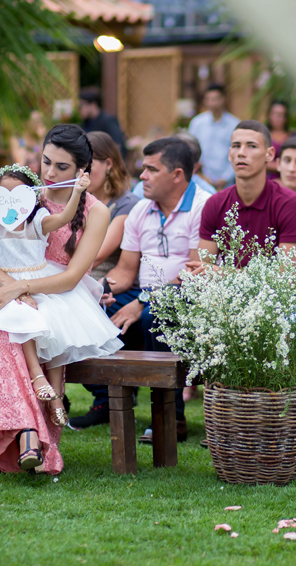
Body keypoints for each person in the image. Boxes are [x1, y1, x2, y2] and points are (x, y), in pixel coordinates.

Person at [0, 124, 111, 473]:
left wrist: (22, 289)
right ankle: (23, 434)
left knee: (29, 332)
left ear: (81, 172)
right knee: (1, 334)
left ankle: (37, 436)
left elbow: (74, 275)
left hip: (64, 295)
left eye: (62, 167)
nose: (49, 172)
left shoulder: (95, 210)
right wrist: (11, 286)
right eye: (46, 162)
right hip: (17, 286)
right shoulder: (22, 196)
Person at [69, 137, 210, 437]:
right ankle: (107, 399)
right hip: (144, 293)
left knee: (152, 315)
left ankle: (171, 417)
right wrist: (99, 290)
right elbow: (125, 271)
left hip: (189, 298)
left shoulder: (203, 207)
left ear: (177, 175)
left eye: (150, 169)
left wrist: (145, 301)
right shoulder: (141, 210)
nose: (142, 176)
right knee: (85, 310)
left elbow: (196, 273)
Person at [198, 120, 296, 266]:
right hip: (225, 288)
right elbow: (203, 269)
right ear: (230, 154)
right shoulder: (215, 203)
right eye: (236, 146)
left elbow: (285, 276)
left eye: (252, 146)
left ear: (269, 154)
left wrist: (223, 274)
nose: (242, 153)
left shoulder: (289, 203)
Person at [86, 132, 139, 281]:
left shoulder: (127, 204)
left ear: (108, 164)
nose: (83, 172)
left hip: (100, 283)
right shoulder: (76, 200)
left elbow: (96, 256)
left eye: (89, 164)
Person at [188, 84, 240, 190]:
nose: (213, 103)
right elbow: (190, 151)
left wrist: (225, 178)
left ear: (223, 99)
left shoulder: (235, 125)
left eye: (216, 99)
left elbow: (238, 153)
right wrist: (201, 174)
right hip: (201, 181)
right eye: (209, 99)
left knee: (230, 207)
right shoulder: (197, 123)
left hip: (228, 183)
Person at [132, 132, 215, 198]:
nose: (143, 176)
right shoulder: (143, 189)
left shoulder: (207, 197)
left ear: (195, 166)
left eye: (153, 170)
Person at [79, 87, 126, 155]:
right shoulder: (85, 123)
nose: (79, 109)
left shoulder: (108, 121)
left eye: (81, 106)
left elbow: (118, 144)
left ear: (93, 105)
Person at [266, 100, 290, 178]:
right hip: (267, 180)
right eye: (275, 114)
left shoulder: (292, 137)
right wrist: (284, 167)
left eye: (281, 115)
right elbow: (259, 162)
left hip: (289, 180)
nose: (277, 118)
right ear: (269, 115)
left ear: (285, 117)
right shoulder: (263, 135)